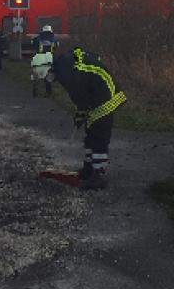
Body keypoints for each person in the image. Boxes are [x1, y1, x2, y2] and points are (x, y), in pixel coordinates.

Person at [49, 47, 127, 190]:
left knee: (99, 134)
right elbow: (81, 94)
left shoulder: (66, 72)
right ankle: (89, 169)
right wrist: (80, 114)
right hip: (96, 94)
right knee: (90, 132)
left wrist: (81, 112)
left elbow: (79, 95)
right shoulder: (64, 66)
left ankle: (98, 175)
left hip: (106, 95)